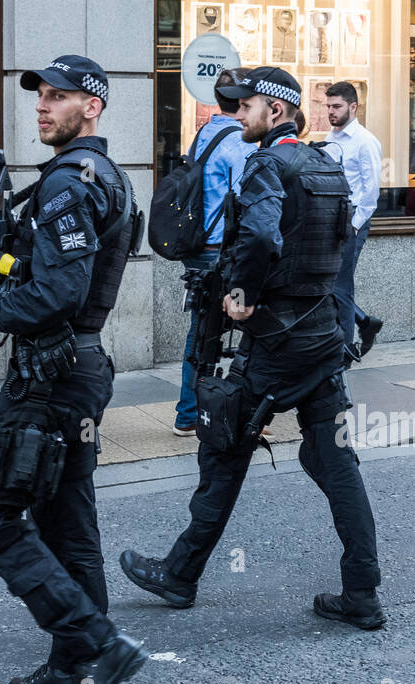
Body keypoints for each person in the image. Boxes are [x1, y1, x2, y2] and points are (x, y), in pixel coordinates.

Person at [119, 67, 386, 630]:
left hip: (276, 341)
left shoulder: (269, 163)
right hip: (322, 339)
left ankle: (179, 575)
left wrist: (241, 293)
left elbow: (263, 236)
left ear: (277, 110)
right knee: (336, 463)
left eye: (246, 107)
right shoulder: (325, 165)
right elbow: (340, 242)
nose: (238, 116)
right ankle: (362, 590)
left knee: (222, 448)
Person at [0, 56, 148, 684]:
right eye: (40, 95)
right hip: (77, 370)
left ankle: (99, 645)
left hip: (52, 377)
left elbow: (60, 293)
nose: (43, 106)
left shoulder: (70, 182)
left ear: (92, 108)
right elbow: (50, 267)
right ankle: (75, 674)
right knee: (69, 525)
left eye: (60, 97)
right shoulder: (95, 178)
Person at [172, 68, 256, 439]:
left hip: (196, 245)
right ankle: (238, 411)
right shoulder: (239, 139)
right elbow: (246, 199)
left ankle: (188, 412)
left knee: (201, 331)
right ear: (241, 102)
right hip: (220, 249)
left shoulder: (205, 131)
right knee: (247, 324)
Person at [325, 80, 384, 361]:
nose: (331, 112)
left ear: (353, 106)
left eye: (336, 106)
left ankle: (345, 351)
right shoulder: (331, 139)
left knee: (341, 285)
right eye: (328, 106)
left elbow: (371, 191)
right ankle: (363, 322)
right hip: (329, 221)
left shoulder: (365, 142)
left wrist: (355, 224)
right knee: (329, 283)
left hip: (351, 221)